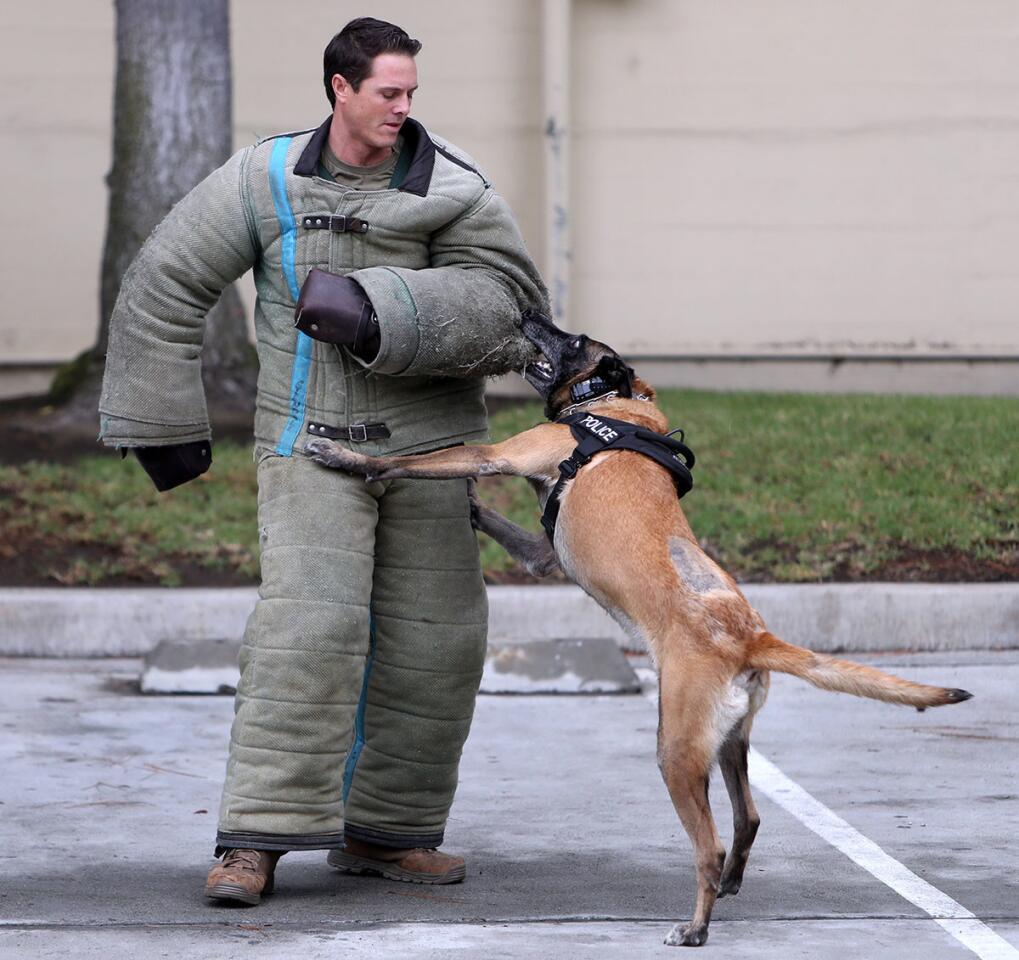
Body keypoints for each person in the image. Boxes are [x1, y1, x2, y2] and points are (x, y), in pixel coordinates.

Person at [99, 17, 547, 904]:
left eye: (411, 92)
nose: (403, 107)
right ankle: (252, 845)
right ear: (339, 88)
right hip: (308, 443)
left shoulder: (451, 186)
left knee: (436, 646)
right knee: (307, 634)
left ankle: (389, 834)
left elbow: (511, 306)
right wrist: (161, 424)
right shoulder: (263, 178)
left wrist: (385, 312)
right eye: (388, 91)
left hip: (434, 453)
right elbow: (166, 280)